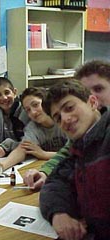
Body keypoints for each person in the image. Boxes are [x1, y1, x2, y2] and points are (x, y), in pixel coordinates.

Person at [23, 60, 110, 190]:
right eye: (86, 91)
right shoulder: (85, 131)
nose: (92, 96)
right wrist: (45, 172)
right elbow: (66, 153)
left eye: (98, 89)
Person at [39, 79, 110, 240]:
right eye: (57, 117)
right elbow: (55, 183)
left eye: (69, 108)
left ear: (92, 102)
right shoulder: (80, 148)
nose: (64, 119)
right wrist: (58, 213)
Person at [0, 87, 67, 171]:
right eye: (28, 110)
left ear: (47, 102)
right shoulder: (32, 127)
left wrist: (44, 154)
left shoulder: (64, 121)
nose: (33, 112)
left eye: (36, 105)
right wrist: (1, 166)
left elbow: (76, 153)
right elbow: (23, 149)